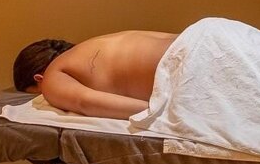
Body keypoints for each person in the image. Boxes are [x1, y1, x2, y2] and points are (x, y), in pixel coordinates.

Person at [12, 30, 179, 119]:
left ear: (39, 79)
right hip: (197, 35)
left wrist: (165, 111)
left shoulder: (51, 78)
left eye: (40, 94)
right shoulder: (94, 44)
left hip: (184, 68)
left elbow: (85, 103)